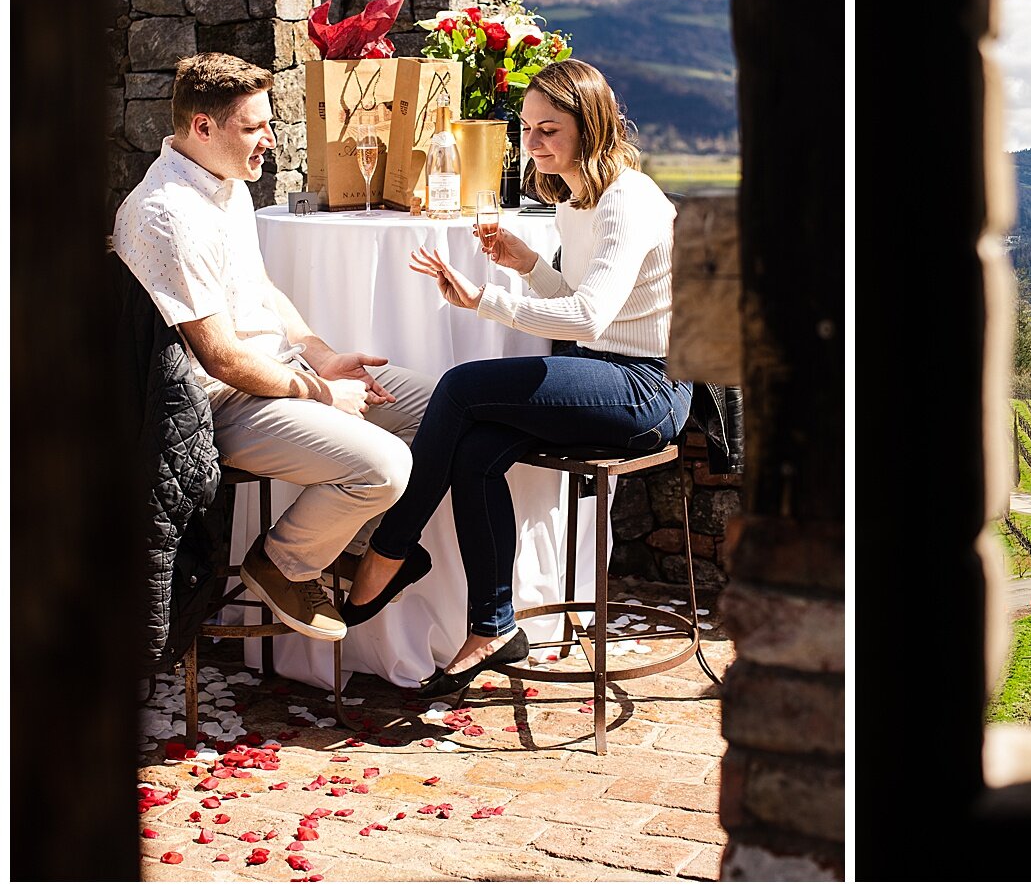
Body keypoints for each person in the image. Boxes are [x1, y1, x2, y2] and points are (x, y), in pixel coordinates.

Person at [343, 58, 694, 698]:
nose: (531, 144)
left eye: (549, 130)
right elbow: (589, 303)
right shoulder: (574, 203)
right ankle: (493, 625)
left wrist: (485, 300)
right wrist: (529, 263)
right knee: (474, 451)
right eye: (526, 128)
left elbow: (588, 318)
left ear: (591, 128)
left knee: (459, 387)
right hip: (603, 371)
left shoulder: (628, 199)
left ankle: (393, 546)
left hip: (649, 390)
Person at [113, 52, 437, 643]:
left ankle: (346, 546)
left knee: (439, 410)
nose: (269, 140)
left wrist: (321, 355)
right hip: (214, 406)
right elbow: (220, 357)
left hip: (277, 372)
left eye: (269, 123)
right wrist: (321, 393)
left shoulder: (226, 183)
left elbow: (258, 289)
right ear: (202, 128)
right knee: (385, 468)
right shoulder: (167, 213)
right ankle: (284, 563)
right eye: (253, 127)